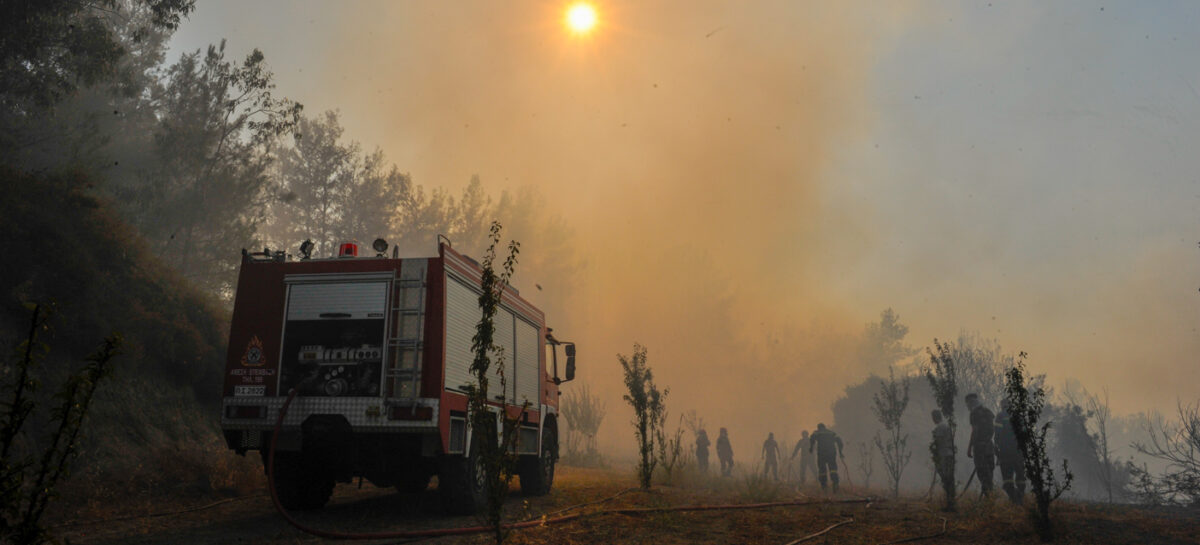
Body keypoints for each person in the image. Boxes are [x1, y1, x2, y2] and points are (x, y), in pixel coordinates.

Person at [994, 399, 1026, 503]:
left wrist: (997, 448)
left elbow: (997, 434)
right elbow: (1025, 433)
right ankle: (1020, 496)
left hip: (1005, 451)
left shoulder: (1000, 416)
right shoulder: (1019, 416)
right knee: (1020, 475)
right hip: (1018, 451)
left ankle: (1013, 498)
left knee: (1007, 477)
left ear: (1002, 405)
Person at [966, 393, 996, 498]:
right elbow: (993, 429)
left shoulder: (974, 414)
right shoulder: (988, 412)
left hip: (979, 447)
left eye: (967, 404)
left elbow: (975, 431)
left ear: (970, 403)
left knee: (982, 473)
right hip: (989, 446)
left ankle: (988, 497)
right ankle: (990, 496)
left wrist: (970, 447)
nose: (967, 407)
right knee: (989, 473)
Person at [931, 409, 956, 511]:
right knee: (949, 479)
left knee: (946, 479)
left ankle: (950, 503)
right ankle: (950, 502)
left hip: (944, 456)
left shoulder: (940, 427)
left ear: (934, 417)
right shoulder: (946, 426)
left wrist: (936, 455)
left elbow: (938, 442)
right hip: (949, 454)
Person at [808, 423, 844, 493]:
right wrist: (840, 452)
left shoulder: (817, 432)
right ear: (825, 427)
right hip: (831, 453)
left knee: (822, 469)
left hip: (822, 453)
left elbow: (812, 438)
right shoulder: (832, 433)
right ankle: (835, 483)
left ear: (818, 427)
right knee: (833, 469)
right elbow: (840, 442)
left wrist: (811, 448)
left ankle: (824, 485)